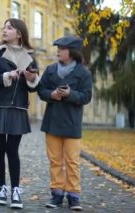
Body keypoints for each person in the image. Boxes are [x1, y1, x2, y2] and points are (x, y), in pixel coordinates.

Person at [0, 18, 40, 209]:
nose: (4, 30)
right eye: (4, 27)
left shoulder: (29, 56)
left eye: (9, 28)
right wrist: (6, 76)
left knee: (12, 150)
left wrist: (31, 78)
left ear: (19, 33)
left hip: (18, 108)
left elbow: (33, 87)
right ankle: (1, 189)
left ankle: (15, 190)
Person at [37, 35, 92, 211]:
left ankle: (74, 196)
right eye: (58, 48)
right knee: (55, 161)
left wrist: (70, 94)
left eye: (62, 48)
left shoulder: (84, 73)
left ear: (72, 52)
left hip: (72, 123)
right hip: (52, 122)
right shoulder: (51, 70)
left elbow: (86, 96)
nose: (58, 51)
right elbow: (41, 90)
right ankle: (57, 194)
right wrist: (51, 95)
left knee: (72, 161)